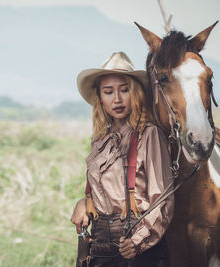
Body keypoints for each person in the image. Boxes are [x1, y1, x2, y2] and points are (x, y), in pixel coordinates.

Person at [71, 51, 174, 267]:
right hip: (100, 245)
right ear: (100, 97)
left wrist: (137, 242)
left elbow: (162, 199)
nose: (116, 99)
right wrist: (84, 202)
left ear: (135, 93)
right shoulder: (100, 140)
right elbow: (103, 190)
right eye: (108, 92)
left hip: (136, 242)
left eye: (124, 90)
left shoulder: (149, 134)